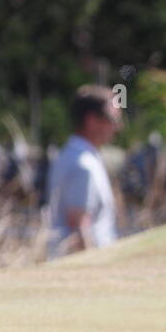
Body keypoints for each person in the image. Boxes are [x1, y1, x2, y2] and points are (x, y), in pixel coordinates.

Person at [46, 85, 122, 258]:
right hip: (83, 268)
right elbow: (79, 226)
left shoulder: (70, 155)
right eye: (113, 119)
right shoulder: (83, 164)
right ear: (91, 120)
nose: (117, 128)